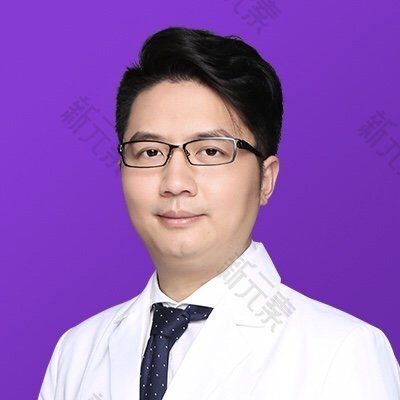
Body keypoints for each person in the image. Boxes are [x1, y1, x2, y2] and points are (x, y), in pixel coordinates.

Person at [38, 26, 400, 400]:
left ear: (265, 179)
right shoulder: (77, 353)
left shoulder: (341, 351)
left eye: (210, 151)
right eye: (150, 152)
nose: (175, 182)